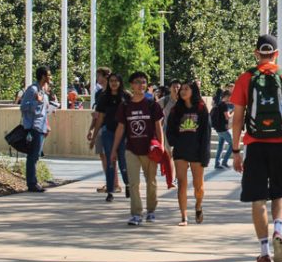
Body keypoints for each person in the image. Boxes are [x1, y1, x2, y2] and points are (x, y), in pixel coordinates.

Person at [230, 34, 282, 262]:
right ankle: (279, 230)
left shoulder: (245, 78)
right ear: (276, 54)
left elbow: (237, 118)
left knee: (258, 198)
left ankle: (263, 252)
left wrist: (235, 150)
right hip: (281, 143)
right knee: (280, 193)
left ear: (256, 54)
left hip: (254, 143)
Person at [110, 71, 165, 226]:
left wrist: (161, 147)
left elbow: (158, 127)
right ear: (131, 85)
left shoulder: (152, 104)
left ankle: (151, 210)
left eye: (143, 82)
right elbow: (120, 128)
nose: (141, 85)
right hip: (131, 148)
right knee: (133, 183)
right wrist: (114, 149)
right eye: (137, 82)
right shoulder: (125, 105)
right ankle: (136, 213)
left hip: (149, 149)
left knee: (151, 181)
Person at [167, 81, 210, 226]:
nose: (183, 91)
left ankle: (198, 206)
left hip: (197, 151)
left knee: (199, 186)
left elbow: (206, 132)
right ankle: (184, 216)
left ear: (193, 91)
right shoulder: (176, 110)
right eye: (181, 89)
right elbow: (170, 129)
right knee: (181, 183)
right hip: (180, 151)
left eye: (186, 89)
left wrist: (205, 153)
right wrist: (174, 142)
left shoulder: (201, 108)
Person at [89, 73, 128, 203]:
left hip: (123, 133)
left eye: (116, 81)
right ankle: (110, 191)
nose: (114, 83)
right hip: (108, 132)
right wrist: (94, 137)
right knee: (110, 161)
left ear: (120, 82)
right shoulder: (104, 97)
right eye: (111, 81)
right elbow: (100, 117)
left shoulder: (126, 96)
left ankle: (128, 185)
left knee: (123, 160)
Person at [19, 67, 53, 193]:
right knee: (32, 156)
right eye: (49, 75)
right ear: (43, 76)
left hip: (41, 126)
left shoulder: (43, 91)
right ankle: (32, 184)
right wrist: (36, 102)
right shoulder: (32, 89)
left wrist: (47, 125)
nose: (50, 78)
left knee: (36, 156)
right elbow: (23, 107)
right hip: (33, 127)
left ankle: (33, 181)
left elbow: (43, 111)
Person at [212, 88, 234, 169]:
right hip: (223, 128)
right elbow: (227, 117)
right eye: (230, 97)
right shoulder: (224, 105)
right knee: (233, 144)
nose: (231, 99)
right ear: (227, 96)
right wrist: (233, 112)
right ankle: (224, 162)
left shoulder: (218, 103)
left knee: (220, 145)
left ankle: (217, 164)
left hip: (218, 128)